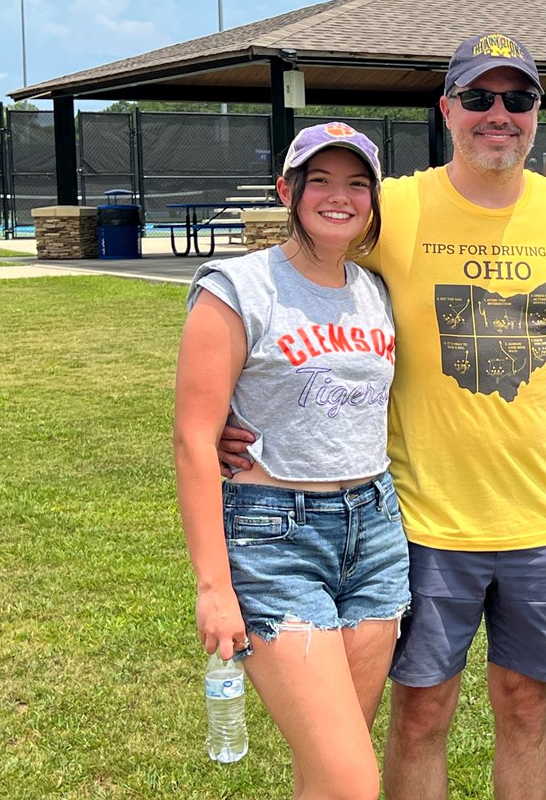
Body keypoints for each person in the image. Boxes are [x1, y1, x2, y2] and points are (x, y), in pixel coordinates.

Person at [218, 33, 546, 800]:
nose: (499, 115)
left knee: (527, 705)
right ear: (447, 110)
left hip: (544, 512)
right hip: (421, 517)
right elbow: (298, 284)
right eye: (478, 98)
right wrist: (240, 404)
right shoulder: (392, 206)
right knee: (423, 710)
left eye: (518, 99)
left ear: (537, 113)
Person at [175, 122, 411, 799]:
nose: (339, 197)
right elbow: (194, 437)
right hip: (274, 534)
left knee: (328, 773)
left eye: (357, 184)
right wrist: (213, 588)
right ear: (287, 190)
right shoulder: (238, 288)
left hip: (374, 531)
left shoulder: (377, 290)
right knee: (351, 782)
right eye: (321, 182)